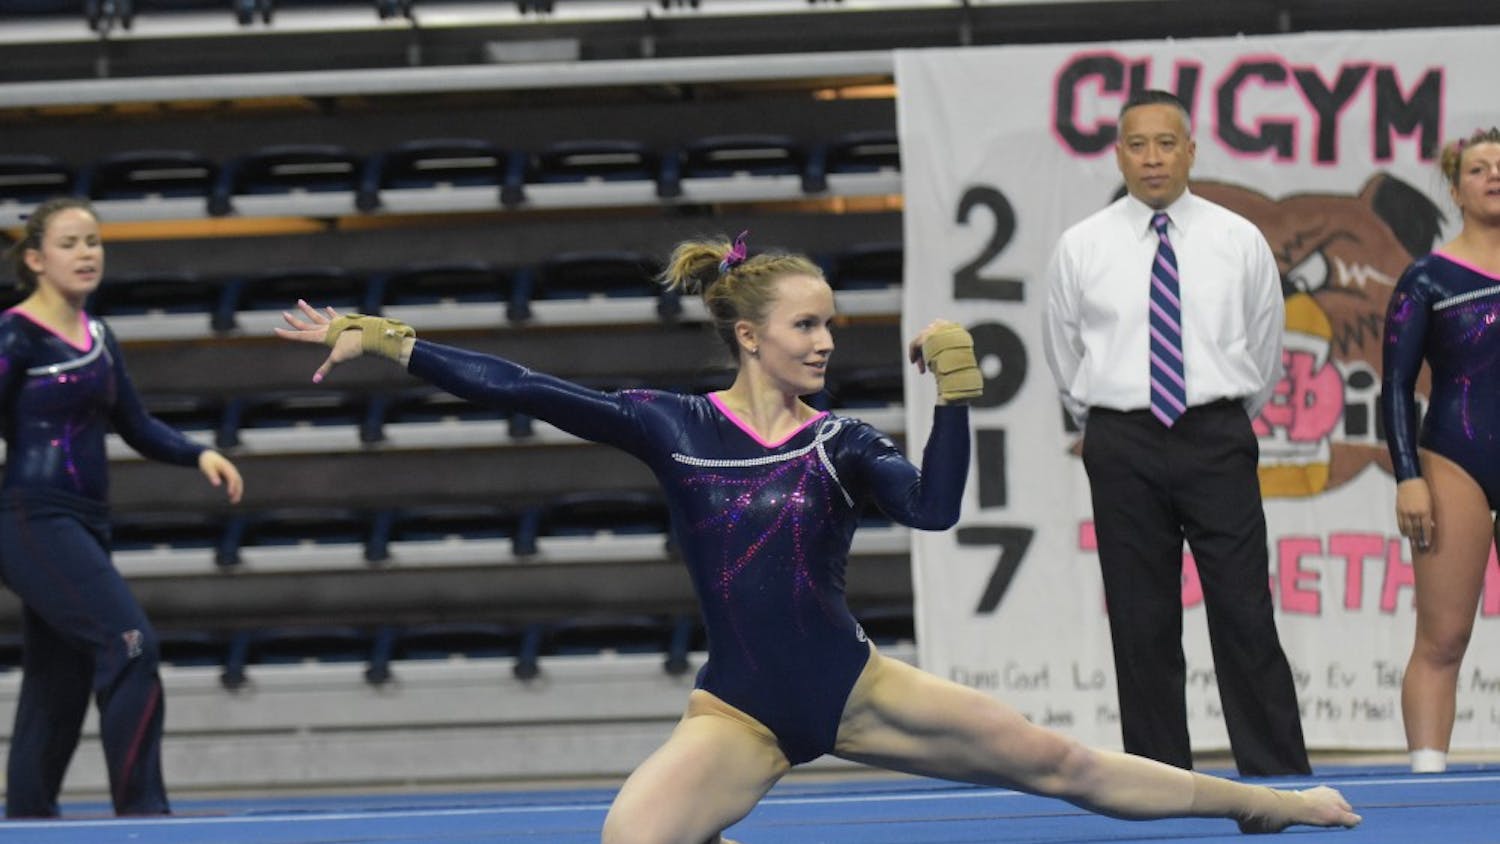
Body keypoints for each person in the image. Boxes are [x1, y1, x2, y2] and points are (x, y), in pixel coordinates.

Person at [278, 232, 1357, 842]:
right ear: (749, 334)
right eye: (807, 325)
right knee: (629, 841)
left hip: (856, 686)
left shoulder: (840, 441)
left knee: (1061, 762)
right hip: (741, 708)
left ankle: (1269, 801)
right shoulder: (676, 425)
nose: (826, 341)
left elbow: (935, 510)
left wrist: (957, 403)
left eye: (833, 323)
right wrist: (391, 340)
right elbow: (527, 386)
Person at [1041, 89, 1310, 777]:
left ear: (1191, 149)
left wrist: (1219, 419)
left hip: (1215, 434)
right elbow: (1065, 353)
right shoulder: (1082, 245)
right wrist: (1106, 418)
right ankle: (1159, 784)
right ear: (1119, 153)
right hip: (1121, 441)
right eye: (1138, 144)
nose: (1153, 157)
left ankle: (1277, 781)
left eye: (1167, 142)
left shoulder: (1237, 238)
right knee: (1141, 620)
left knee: (1245, 612)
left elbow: (1265, 347)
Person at [0, 196, 244, 818]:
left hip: (81, 519)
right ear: (34, 259)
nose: (86, 254)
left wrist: (197, 455)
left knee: (58, 681)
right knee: (129, 643)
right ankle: (143, 816)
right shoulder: (13, 334)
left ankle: (26, 820)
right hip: (28, 516)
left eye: (94, 242)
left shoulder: (99, 337)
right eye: (70, 243)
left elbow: (134, 423)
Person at [1381, 126, 1500, 774]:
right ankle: (1429, 776)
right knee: (1444, 636)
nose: (1493, 175)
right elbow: (1396, 384)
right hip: (1458, 458)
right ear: (1455, 189)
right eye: (1478, 168)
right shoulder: (1428, 276)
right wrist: (1407, 476)